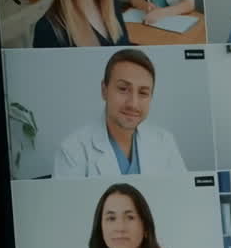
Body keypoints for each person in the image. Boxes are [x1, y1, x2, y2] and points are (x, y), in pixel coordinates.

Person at [54, 48, 187, 177]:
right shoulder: (72, 151)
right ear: (104, 90)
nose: (133, 104)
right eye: (123, 89)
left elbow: (183, 196)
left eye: (143, 93)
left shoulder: (165, 142)